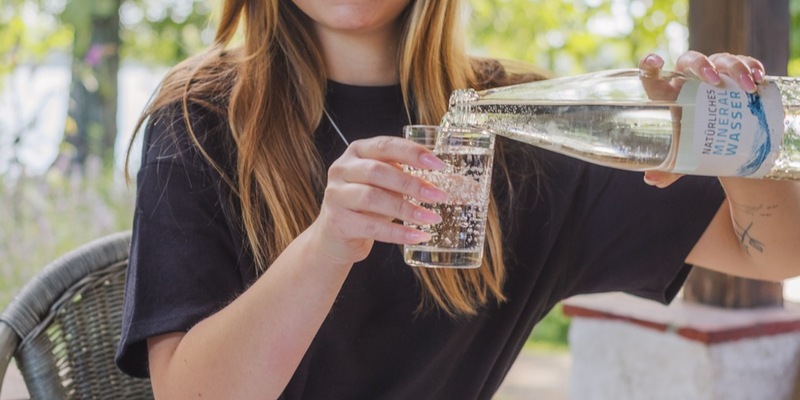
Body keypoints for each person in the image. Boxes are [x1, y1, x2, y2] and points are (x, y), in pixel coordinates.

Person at [114, 0, 800, 397]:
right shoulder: (204, 117)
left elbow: (775, 255)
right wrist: (325, 247)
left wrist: (731, 140)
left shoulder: (521, 125)